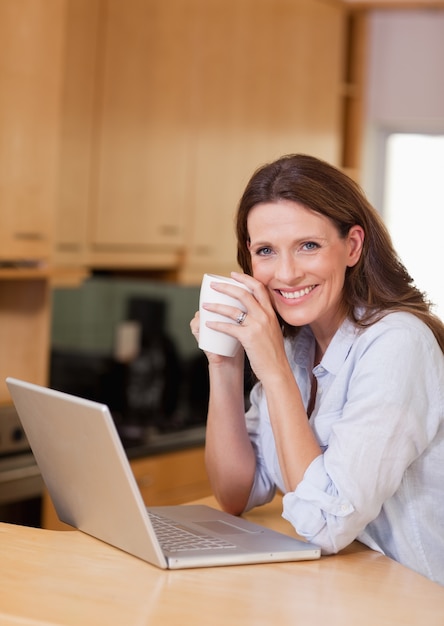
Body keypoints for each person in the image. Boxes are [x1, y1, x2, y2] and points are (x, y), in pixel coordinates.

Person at [190, 153, 444, 585]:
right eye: (266, 251)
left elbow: (326, 525)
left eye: (308, 245)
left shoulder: (397, 344)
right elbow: (235, 492)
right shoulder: (296, 343)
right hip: (341, 591)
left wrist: (272, 371)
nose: (286, 274)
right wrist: (225, 365)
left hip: (414, 600)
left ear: (352, 246)